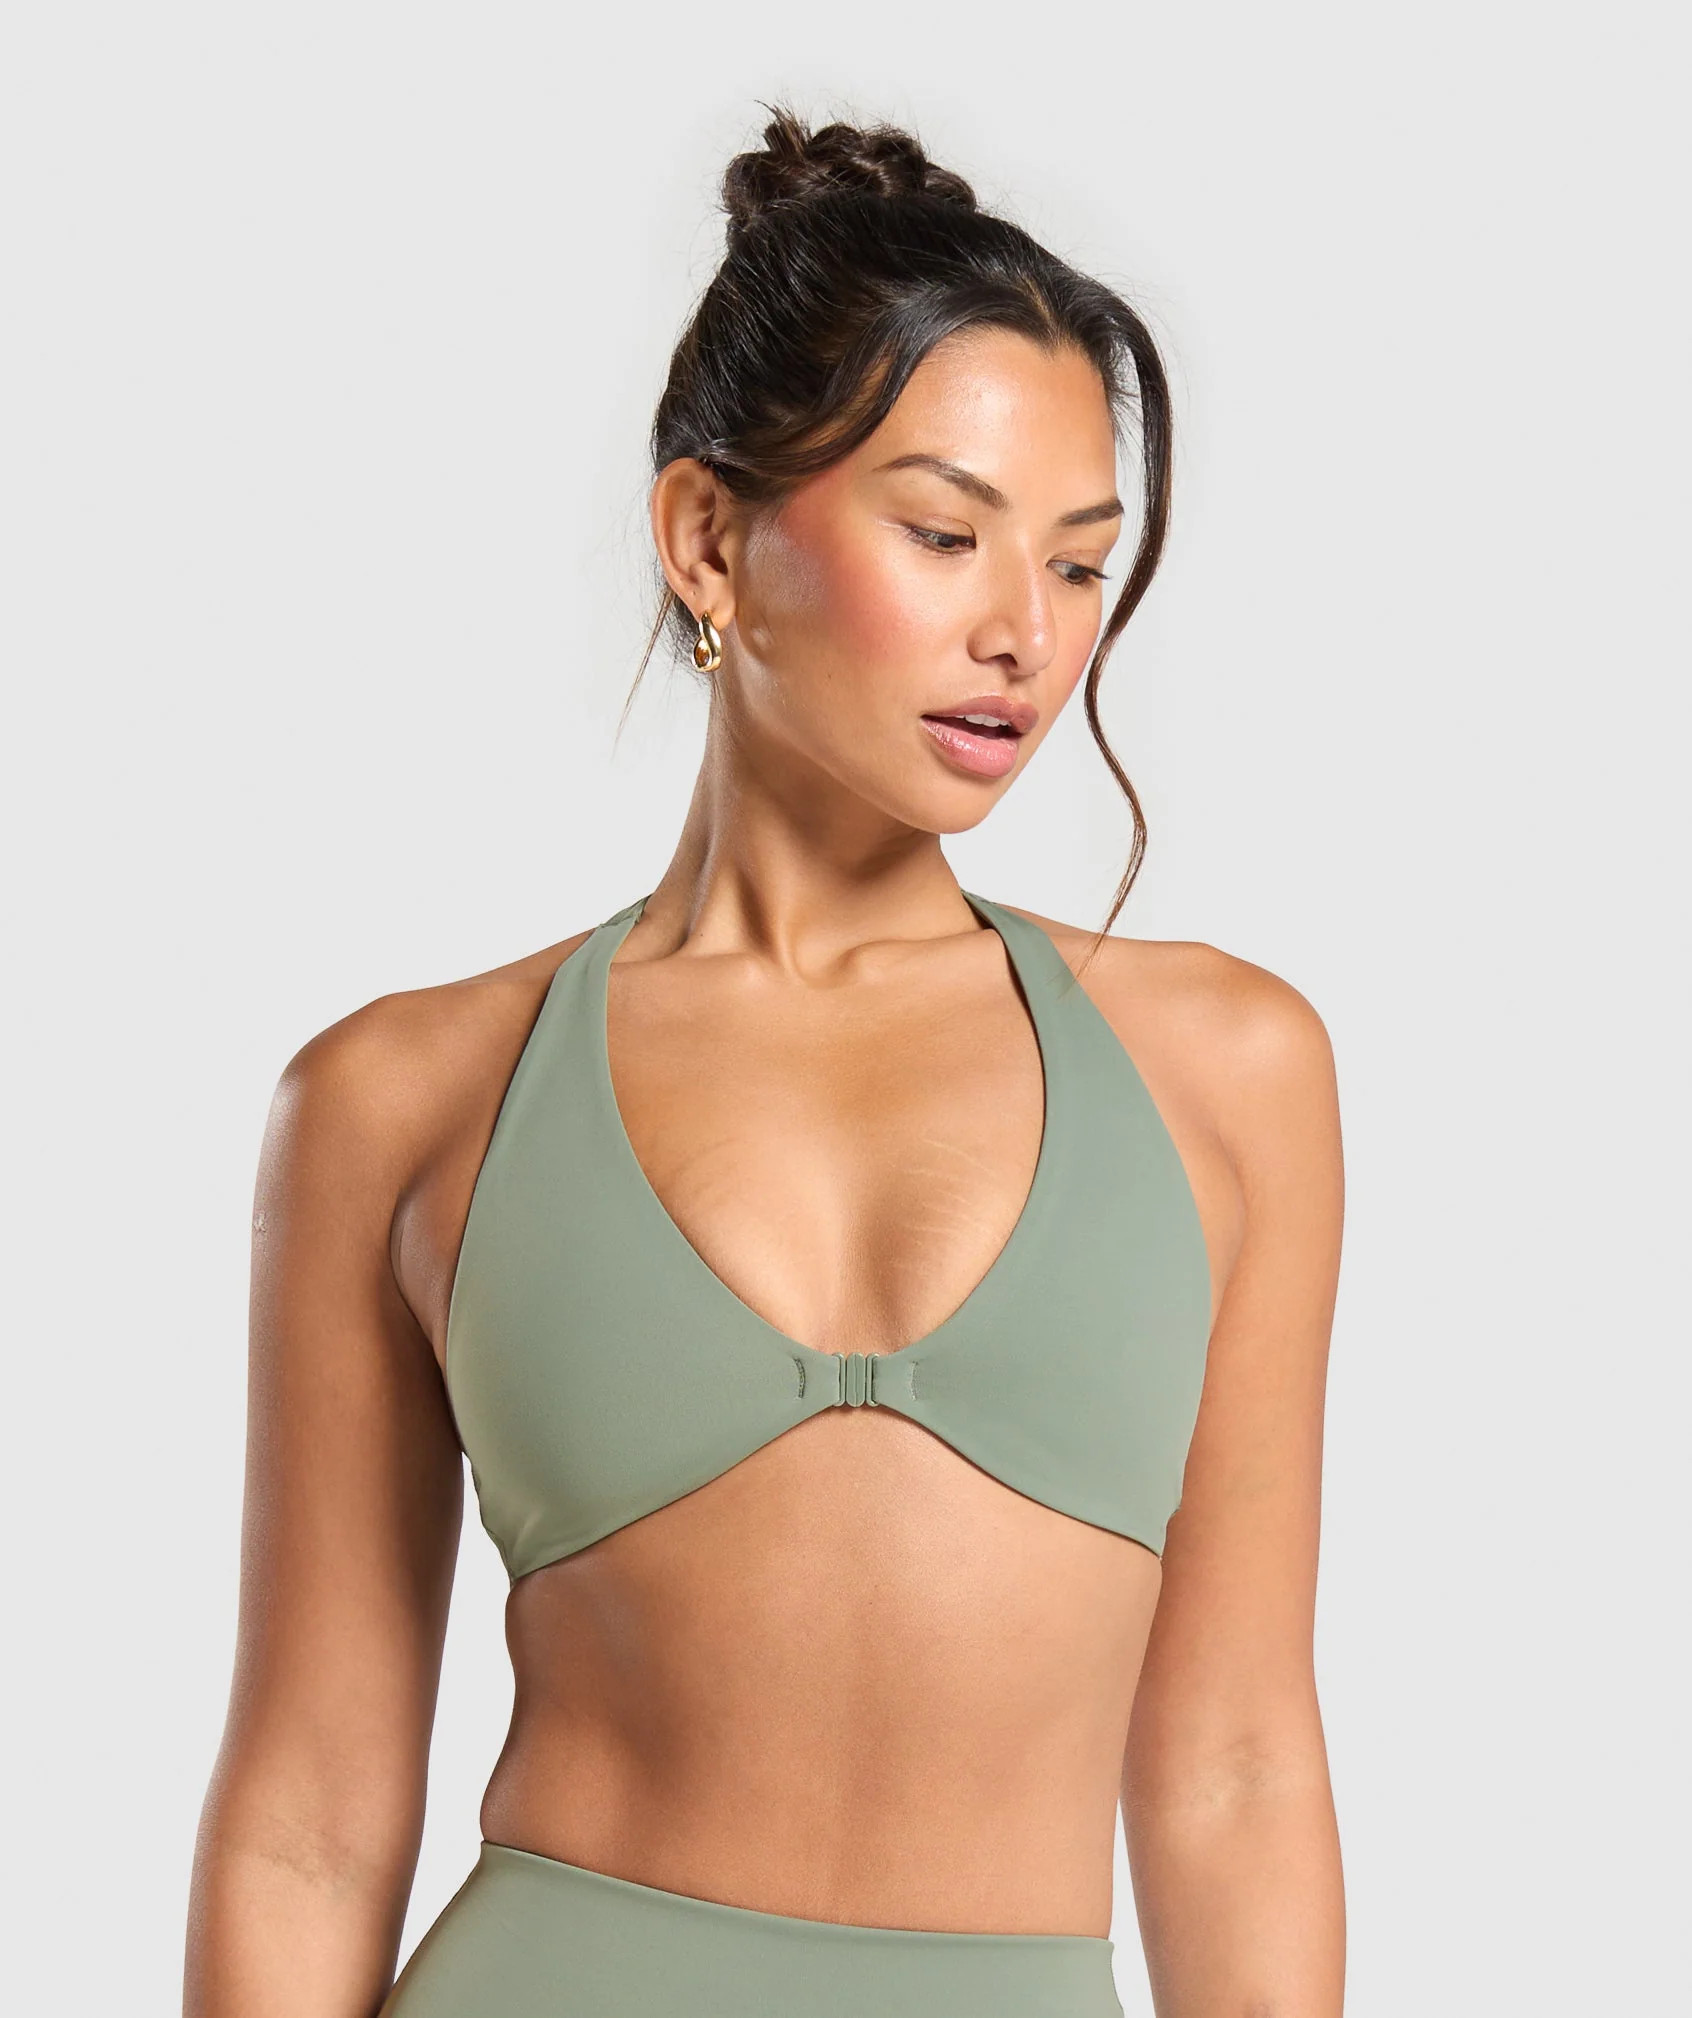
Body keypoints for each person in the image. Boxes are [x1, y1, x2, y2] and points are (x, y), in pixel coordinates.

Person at [184, 106, 1346, 2018]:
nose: (1024, 635)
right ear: (709, 539)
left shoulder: (1227, 1073)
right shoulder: (403, 1100)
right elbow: (307, 1815)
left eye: (1078, 565)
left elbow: (1234, 1769)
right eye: (945, 535)